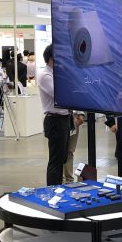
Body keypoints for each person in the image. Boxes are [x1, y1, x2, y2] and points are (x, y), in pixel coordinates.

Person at [37, 43, 72, 186]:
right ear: (51, 58)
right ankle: (52, 190)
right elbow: (60, 94)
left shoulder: (56, 73)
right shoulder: (45, 75)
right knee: (56, 160)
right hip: (55, 120)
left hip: (64, 119)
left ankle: (58, 187)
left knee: (62, 157)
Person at [63, 111, 86, 183]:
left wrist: (81, 114)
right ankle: (61, 180)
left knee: (70, 151)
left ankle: (69, 180)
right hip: (60, 117)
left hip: (73, 118)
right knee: (60, 151)